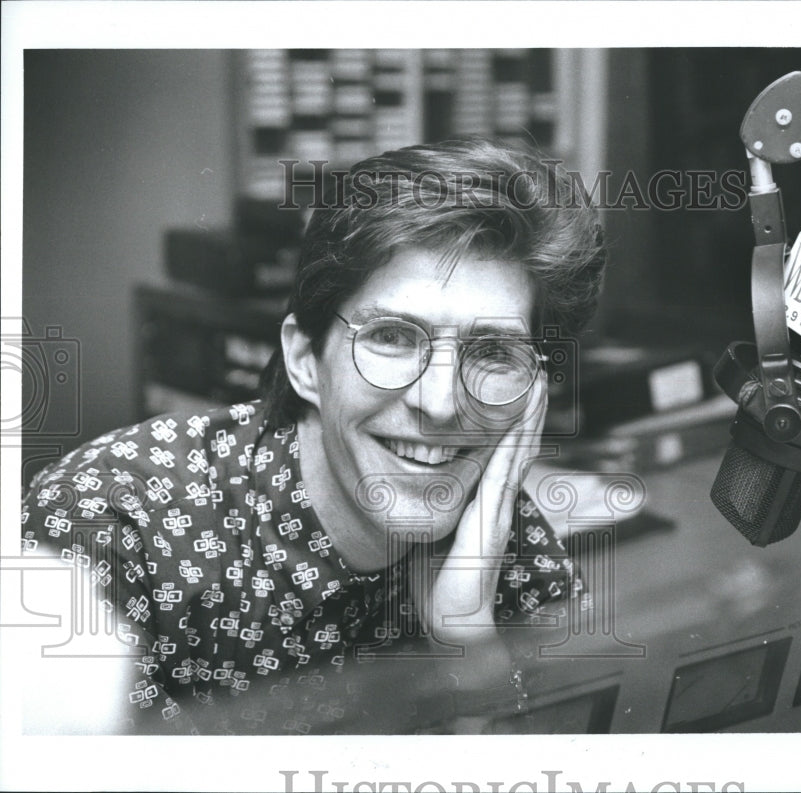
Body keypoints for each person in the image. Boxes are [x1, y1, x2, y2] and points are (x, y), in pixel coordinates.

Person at [19, 137, 607, 734]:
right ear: (304, 359)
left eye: (493, 353)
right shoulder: (110, 522)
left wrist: (469, 638)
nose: (441, 402)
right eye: (393, 338)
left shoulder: (500, 533)